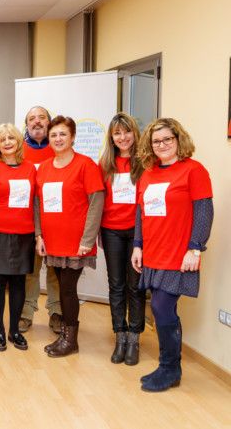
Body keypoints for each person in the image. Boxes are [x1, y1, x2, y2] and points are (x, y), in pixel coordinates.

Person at [131, 118, 213, 392]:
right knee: (160, 308)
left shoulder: (193, 170)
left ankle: (170, 368)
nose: (162, 144)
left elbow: (204, 211)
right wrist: (138, 245)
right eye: (156, 141)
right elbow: (141, 213)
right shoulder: (147, 174)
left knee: (161, 307)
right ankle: (167, 366)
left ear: (179, 139)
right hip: (153, 253)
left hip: (178, 254)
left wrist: (195, 247)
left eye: (167, 139)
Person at [35, 116, 104, 357]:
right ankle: (66, 335)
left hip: (76, 243)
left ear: (73, 137)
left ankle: (70, 340)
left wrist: (87, 240)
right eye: (53, 135)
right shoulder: (44, 167)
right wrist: (39, 235)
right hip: (52, 241)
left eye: (63, 134)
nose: (58, 139)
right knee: (62, 288)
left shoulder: (86, 165)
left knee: (67, 289)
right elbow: (38, 204)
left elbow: (96, 203)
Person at [0, 123, 36, 352]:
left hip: (25, 235)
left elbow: (35, 203)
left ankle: (14, 330)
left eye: (11, 138)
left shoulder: (31, 169)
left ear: (19, 141)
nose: (7, 142)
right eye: (2, 140)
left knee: (19, 282)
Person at [98, 113, 145, 365]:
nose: (122, 137)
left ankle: (135, 338)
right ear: (111, 137)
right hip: (111, 231)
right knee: (116, 285)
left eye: (126, 131)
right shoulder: (105, 164)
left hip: (138, 232)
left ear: (134, 133)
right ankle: (120, 335)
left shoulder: (146, 163)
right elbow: (98, 200)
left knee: (135, 286)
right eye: (117, 133)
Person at [20, 105, 62, 334]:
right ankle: (26, 313)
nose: (36, 121)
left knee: (56, 270)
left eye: (42, 117)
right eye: (31, 119)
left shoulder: (59, 149)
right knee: (30, 271)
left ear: (50, 122)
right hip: (27, 221)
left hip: (55, 221)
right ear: (26, 124)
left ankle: (57, 313)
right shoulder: (18, 150)